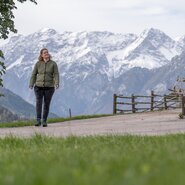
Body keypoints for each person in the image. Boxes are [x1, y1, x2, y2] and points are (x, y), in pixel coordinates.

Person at [29, 48, 59, 127]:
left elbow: (56, 74)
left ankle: (44, 121)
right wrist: (31, 84)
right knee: (39, 103)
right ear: (41, 55)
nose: (46, 53)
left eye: (47, 52)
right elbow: (34, 74)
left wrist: (56, 83)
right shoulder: (38, 64)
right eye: (44, 53)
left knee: (46, 104)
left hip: (49, 87)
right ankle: (38, 120)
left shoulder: (53, 64)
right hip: (38, 87)